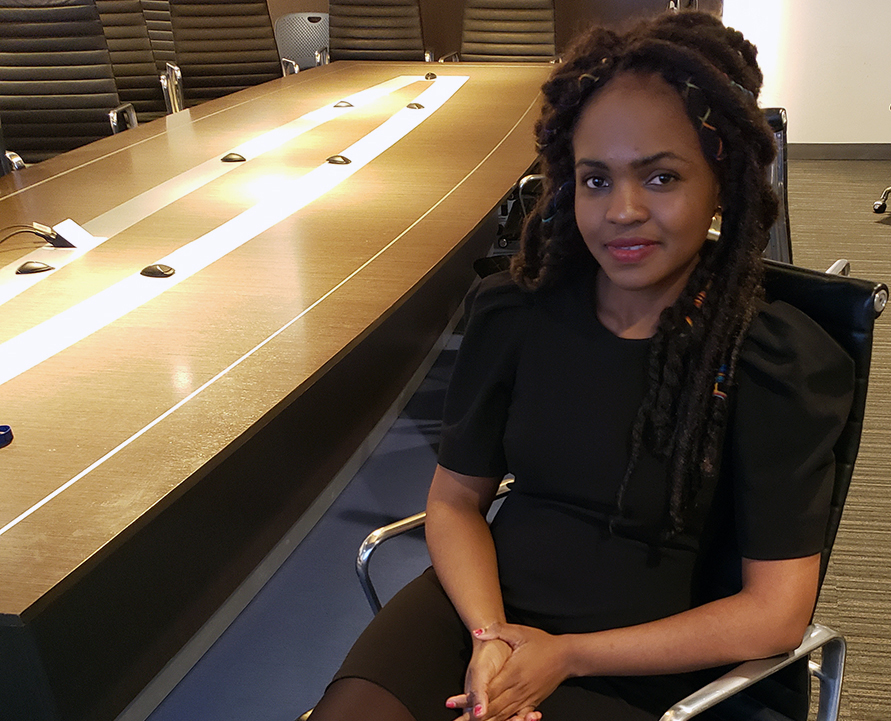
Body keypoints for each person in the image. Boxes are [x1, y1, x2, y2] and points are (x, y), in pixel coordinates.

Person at [309, 10, 854, 721]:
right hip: (482, 609)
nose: (622, 210)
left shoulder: (770, 358)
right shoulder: (516, 312)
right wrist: (489, 635)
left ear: (720, 179)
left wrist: (567, 653)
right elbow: (453, 501)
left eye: (661, 177)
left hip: (644, 659)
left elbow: (775, 616)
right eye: (596, 180)